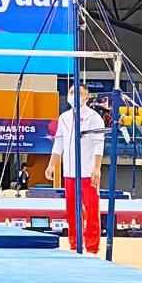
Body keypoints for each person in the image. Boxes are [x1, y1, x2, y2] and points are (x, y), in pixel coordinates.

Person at [45, 84, 105, 254]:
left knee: (91, 210)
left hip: (87, 172)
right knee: (71, 211)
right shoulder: (64, 117)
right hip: (69, 172)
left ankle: (92, 247)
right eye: (71, 92)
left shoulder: (94, 117)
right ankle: (74, 244)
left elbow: (98, 144)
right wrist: (51, 165)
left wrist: (97, 168)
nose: (73, 95)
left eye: (78, 92)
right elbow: (59, 143)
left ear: (86, 97)